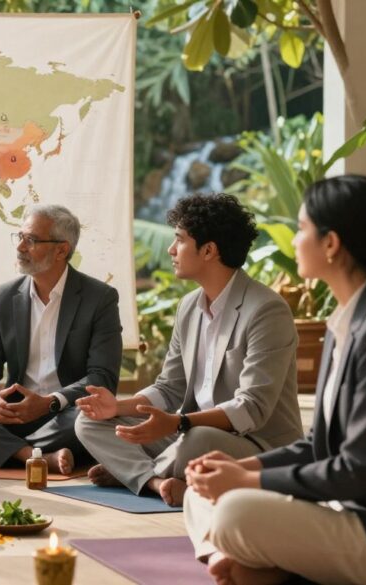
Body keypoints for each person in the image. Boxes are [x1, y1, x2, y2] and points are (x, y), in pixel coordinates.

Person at [183, 175, 366, 585]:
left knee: (233, 511)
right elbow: (319, 446)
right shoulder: (344, 323)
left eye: (301, 229)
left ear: (331, 244)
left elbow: (358, 471)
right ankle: (244, 564)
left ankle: (261, 569)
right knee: (200, 491)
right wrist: (239, 466)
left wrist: (246, 480)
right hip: (344, 509)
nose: (295, 240)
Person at [74, 194, 302, 505]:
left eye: (179, 240)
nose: (170, 250)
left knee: (199, 439)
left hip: (256, 444)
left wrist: (179, 423)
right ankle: (156, 481)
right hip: (185, 431)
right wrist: (117, 408)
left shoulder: (266, 310)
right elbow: (170, 387)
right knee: (88, 422)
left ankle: (134, 472)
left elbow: (252, 409)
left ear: (209, 250)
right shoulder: (188, 306)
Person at [0, 204, 122, 475]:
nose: (20, 247)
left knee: (90, 417)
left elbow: (102, 378)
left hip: (63, 415)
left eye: (30, 240)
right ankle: (31, 455)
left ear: (61, 250)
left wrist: (50, 402)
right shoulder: (3, 296)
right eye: (19, 237)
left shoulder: (99, 298)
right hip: (11, 414)